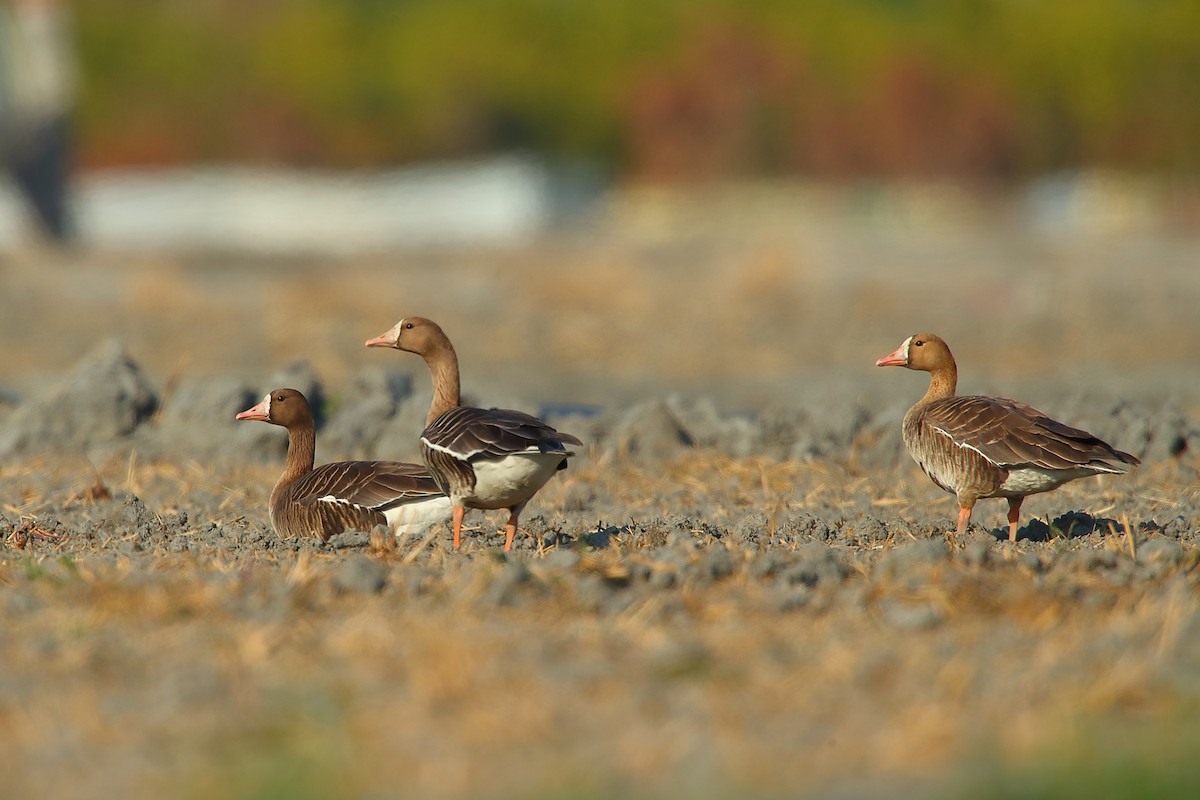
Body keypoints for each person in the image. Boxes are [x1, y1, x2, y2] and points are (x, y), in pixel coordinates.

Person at [0, 0, 75, 243]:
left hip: (42, 119)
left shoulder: (37, 22)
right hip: (26, 119)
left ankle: (57, 242)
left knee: (49, 204)